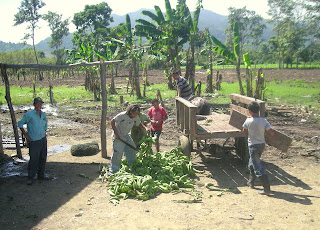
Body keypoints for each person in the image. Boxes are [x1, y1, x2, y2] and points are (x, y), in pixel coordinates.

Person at [242, 101, 274, 195]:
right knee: (252, 164)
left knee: (258, 168)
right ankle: (251, 182)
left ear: (250, 111)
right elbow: (271, 132)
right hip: (261, 145)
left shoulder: (248, 121)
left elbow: (244, 131)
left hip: (252, 146)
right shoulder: (264, 121)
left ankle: (267, 189)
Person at [18, 97, 48, 185]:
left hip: (42, 139)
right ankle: (30, 177)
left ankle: (41, 175)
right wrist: (26, 135)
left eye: (40, 104)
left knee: (43, 157)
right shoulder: (29, 114)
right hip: (34, 140)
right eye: (37, 104)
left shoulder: (43, 114)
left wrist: (44, 132)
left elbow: (45, 124)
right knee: (34, 159)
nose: (39, 106)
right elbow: (20, 123)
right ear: (34, 105)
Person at [110, 104, 147, 174]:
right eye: (134, 113)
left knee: (132, 149)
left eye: (137, 114)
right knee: (118, 153)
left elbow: (138, 123)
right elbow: (112, 121)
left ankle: (132, 166)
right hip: (118, 136)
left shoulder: (135, 117)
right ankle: (113, 171)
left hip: (126, 135)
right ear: (130, 112)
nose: (136, 115)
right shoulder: (122, 115)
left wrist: (145, 128)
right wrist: (116, 134)